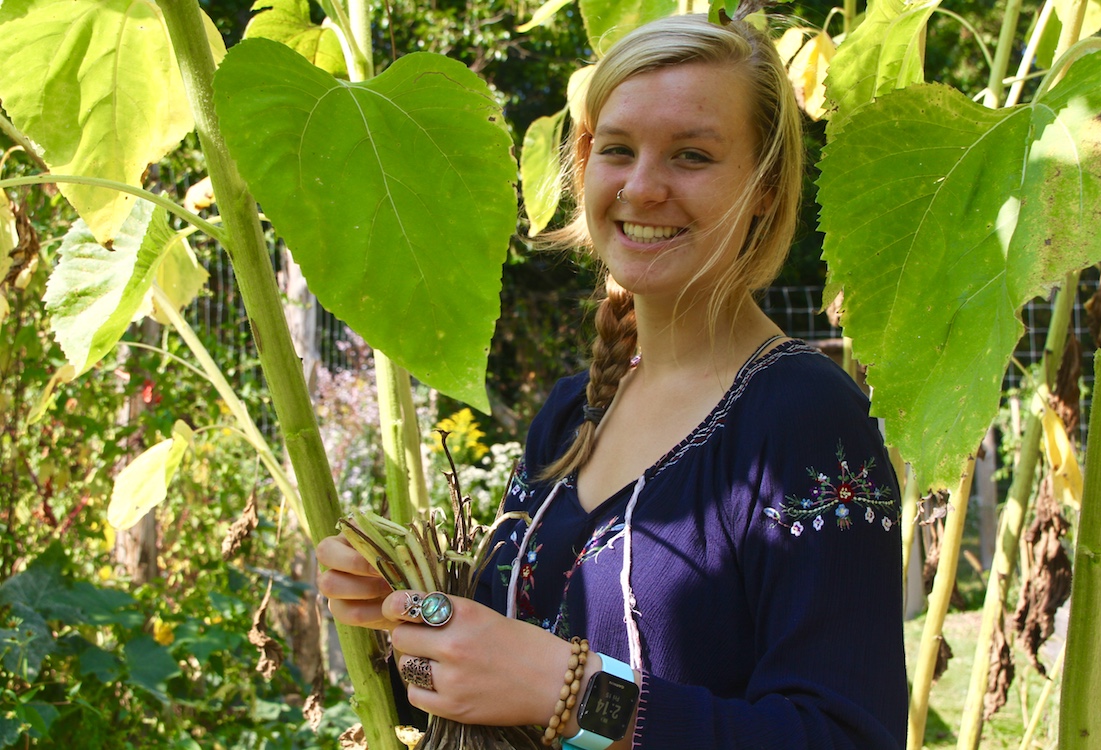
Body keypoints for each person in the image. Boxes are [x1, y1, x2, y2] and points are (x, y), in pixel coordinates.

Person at [317, 13, 908, 749]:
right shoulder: (571, 411)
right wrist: (405, 612)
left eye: (691, 155)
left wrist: (567, 693)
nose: (641, 186)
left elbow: (846, 737)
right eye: (617, 149)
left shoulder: (806, 420)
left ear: (763, 187)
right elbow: (494, 694)